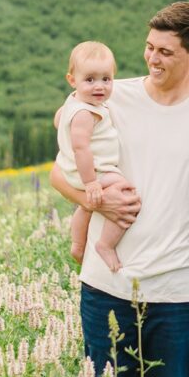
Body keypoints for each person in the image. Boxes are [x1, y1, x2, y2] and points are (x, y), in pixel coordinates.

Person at [50, 2, 189, 377]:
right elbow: (60, 174)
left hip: (180, 287)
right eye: (150, 47)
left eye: (166, 52)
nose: (152, 58)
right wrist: (94, 200)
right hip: (107, 284)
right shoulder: (109, 96)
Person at [53, 41, 132, 272]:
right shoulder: (86, 113)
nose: (99, 87)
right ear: (72, 80)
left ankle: (78, 244)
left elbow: (58, 120)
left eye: (106, 79)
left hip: (79, 170)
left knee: (86, 208)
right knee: (125, 192)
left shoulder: (75, 101)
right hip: (90, 172)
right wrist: (91, 183)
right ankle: (106, 244)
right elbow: (81, 149)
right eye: (90, 80)